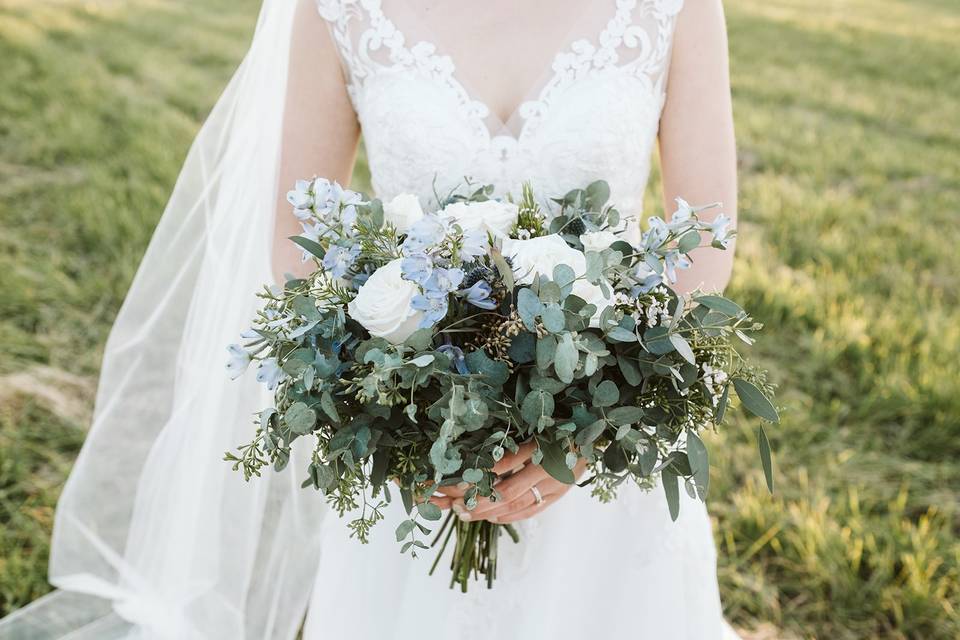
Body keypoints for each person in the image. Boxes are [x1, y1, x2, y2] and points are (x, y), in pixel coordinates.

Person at [0, 1, 739, 638]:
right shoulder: (341, 10)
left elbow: (703, 239)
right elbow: (300, 247)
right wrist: (403, 424)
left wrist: (593, 428)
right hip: (421, 460)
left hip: (607, 460)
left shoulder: (674, 7)